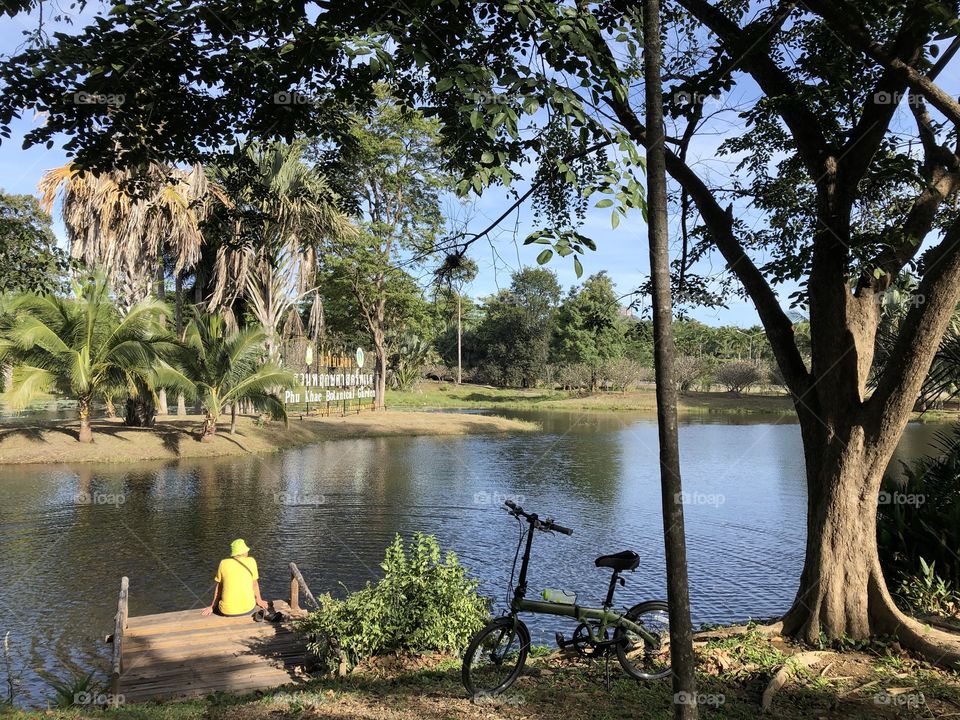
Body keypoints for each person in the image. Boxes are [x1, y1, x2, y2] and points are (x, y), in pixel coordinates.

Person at [201, 539, 269, 616]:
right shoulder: (251, 561)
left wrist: (212, 606)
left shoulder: (223, 563)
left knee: (223, 590)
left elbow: (219, 588)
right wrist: (259, 600)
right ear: (244, 552)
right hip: (248, 609)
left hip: (226, 612)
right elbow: (254, 584)